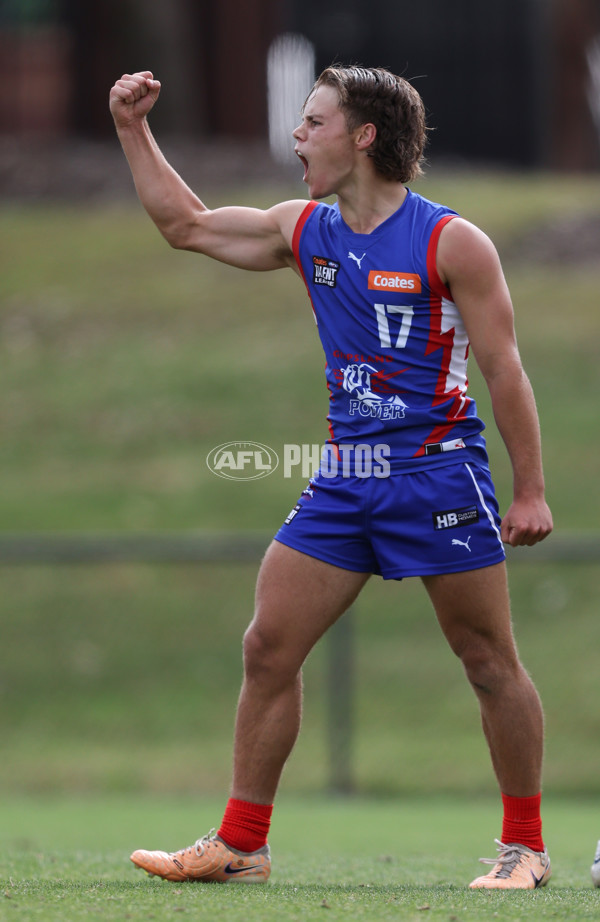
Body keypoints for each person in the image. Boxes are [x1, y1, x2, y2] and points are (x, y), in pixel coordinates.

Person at [109, 65, 553, 890]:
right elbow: (188, 226)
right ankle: (243, 847)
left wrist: (529, 489)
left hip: (438, 476)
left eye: (313, 122)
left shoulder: (451, 241)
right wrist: (133, 129)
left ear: (364, 137)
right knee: (268, 646)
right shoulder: (303, 228)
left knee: (488, 661)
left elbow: (506, 370)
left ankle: (525, 849)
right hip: (347, 478)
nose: (297, 136)